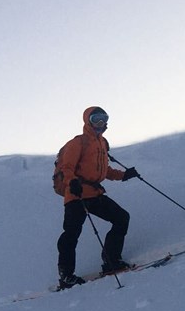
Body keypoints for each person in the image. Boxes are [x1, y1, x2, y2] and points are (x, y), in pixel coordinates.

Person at [56, 106, 139, 289]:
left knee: (121, 218)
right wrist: (72, 182)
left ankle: (111, 261)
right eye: (96, 119)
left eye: (104, 118)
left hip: (94, 194)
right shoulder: (78, 142)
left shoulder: (102, 143)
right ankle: (66, 277)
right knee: (71, 235)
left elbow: (104, 171)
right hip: (76, 196)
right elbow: (66, 167)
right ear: (88, 121)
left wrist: (124, 175)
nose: (100, 123)